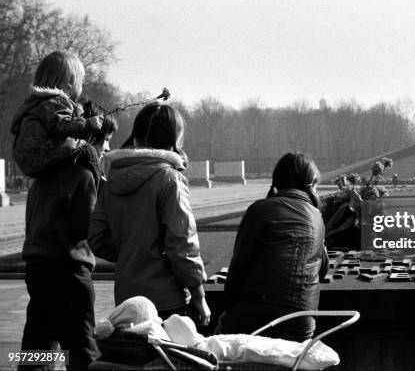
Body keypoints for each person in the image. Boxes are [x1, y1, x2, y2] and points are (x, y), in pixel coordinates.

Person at [88, 103, 211, 325]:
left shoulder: (112, 177)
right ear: (175, 138)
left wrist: (132, 252)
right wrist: (199, 295)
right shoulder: (170, 179)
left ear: (136, 136)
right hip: (167, 298)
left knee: (134, 356)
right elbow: (182, 243)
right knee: (167, 358)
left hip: (127, 296)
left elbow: (96, 236)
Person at [19, 113, 117, 370]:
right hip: (70, 276)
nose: (107, 148)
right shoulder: (83, 176)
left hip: (38, 273)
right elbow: (86, 231)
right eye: (105, 140)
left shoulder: (41, 178)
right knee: (83, 355)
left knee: (35, 354)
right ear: (90, 139)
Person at [218, 152, 329, 342]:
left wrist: (228, 311)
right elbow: (322, 269)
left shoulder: (259, 210)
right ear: (311, 184)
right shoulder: (316, 217)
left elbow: (238, 268)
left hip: (255, 314)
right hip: (301, 321)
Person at [11, 51, 104, 177]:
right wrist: (88, 123)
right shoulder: (58, 101)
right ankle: (101, 180)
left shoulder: (35, 103)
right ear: (69, 84)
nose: (82, 88)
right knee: (88, 150)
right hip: (44, 153)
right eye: (80, 83)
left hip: (26, 160)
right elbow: (62, 126)